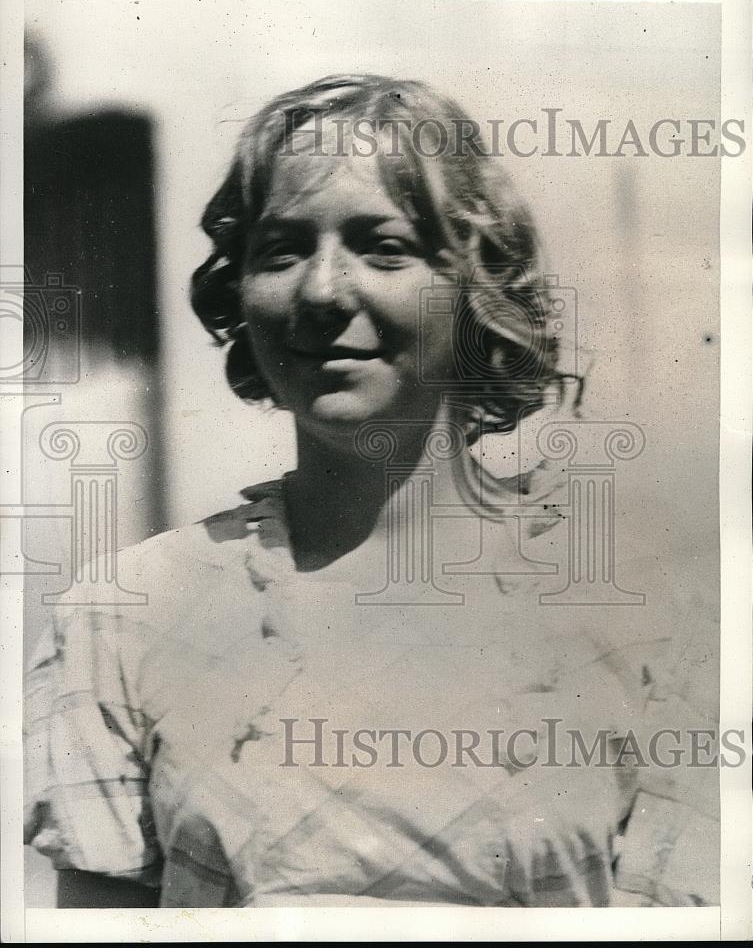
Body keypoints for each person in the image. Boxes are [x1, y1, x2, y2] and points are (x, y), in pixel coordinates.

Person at [24, 74, 718, 908]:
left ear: (473, 288)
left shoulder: (652, 620)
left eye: (382, 247)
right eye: (280, 250)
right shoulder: (126, 617)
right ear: (239, 293)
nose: (322, 292)